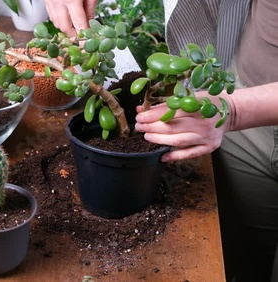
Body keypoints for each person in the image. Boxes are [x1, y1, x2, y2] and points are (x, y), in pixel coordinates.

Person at [44, 0, 278, 281]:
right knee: (237, 257)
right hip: (243, 98)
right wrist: (233, 107)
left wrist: (236, 110)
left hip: (236, 107)